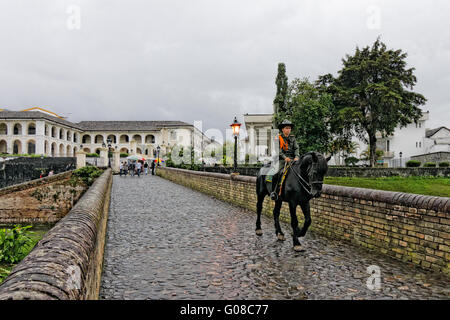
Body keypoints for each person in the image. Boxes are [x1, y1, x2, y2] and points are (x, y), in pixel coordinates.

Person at [265, 119, 300, 200]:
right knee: (276, 173)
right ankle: (274, 192)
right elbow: (278, 151)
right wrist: (285, 158)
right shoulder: (278, 138)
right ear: (282, 129)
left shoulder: (293, 138)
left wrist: (297, 156)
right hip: (281, 160)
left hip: (293, 159)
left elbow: (296, 148)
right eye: (287, 128)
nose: (288, 130)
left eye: (289, 128)